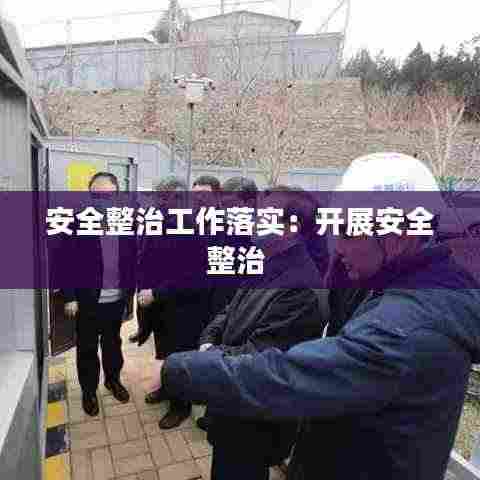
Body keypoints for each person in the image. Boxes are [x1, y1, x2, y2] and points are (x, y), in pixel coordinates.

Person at [156, 153, 480, 480]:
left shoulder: (405, 330)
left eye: (347, 232)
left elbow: (285, 377)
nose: (338, 248)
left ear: (399, 237)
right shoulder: (398, 286)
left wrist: (183, 368)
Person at [193, 188, 328, 480]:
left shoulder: (300, 290)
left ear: (291, 228)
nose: (253, 220)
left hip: (253, 418)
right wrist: (208, 340)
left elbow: (261, 359)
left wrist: (205, 357)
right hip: (231, 397)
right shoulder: (267, 260)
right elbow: (230, 309)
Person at [137, 176, 215, 429]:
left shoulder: (192, 227)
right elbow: (145, 257)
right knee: (165, 353)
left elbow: (194, 277)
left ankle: (180, 406)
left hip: (184, 309)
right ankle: (167, 389)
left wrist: (156, 293)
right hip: (159, 306)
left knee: (180, 358)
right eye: (158, 196)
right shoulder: (156, 220)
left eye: (165, 197)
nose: (159, 201)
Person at [63, 172, 136, 416]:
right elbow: (64, 263)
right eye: (96, 195)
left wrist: (131, 293)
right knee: (87, 348)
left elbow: (133, 259)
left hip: (116, 300)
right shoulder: (76, 222)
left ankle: (113, 381)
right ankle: (89, 391)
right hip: (87, 301)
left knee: (113, 343)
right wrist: (70, 297)